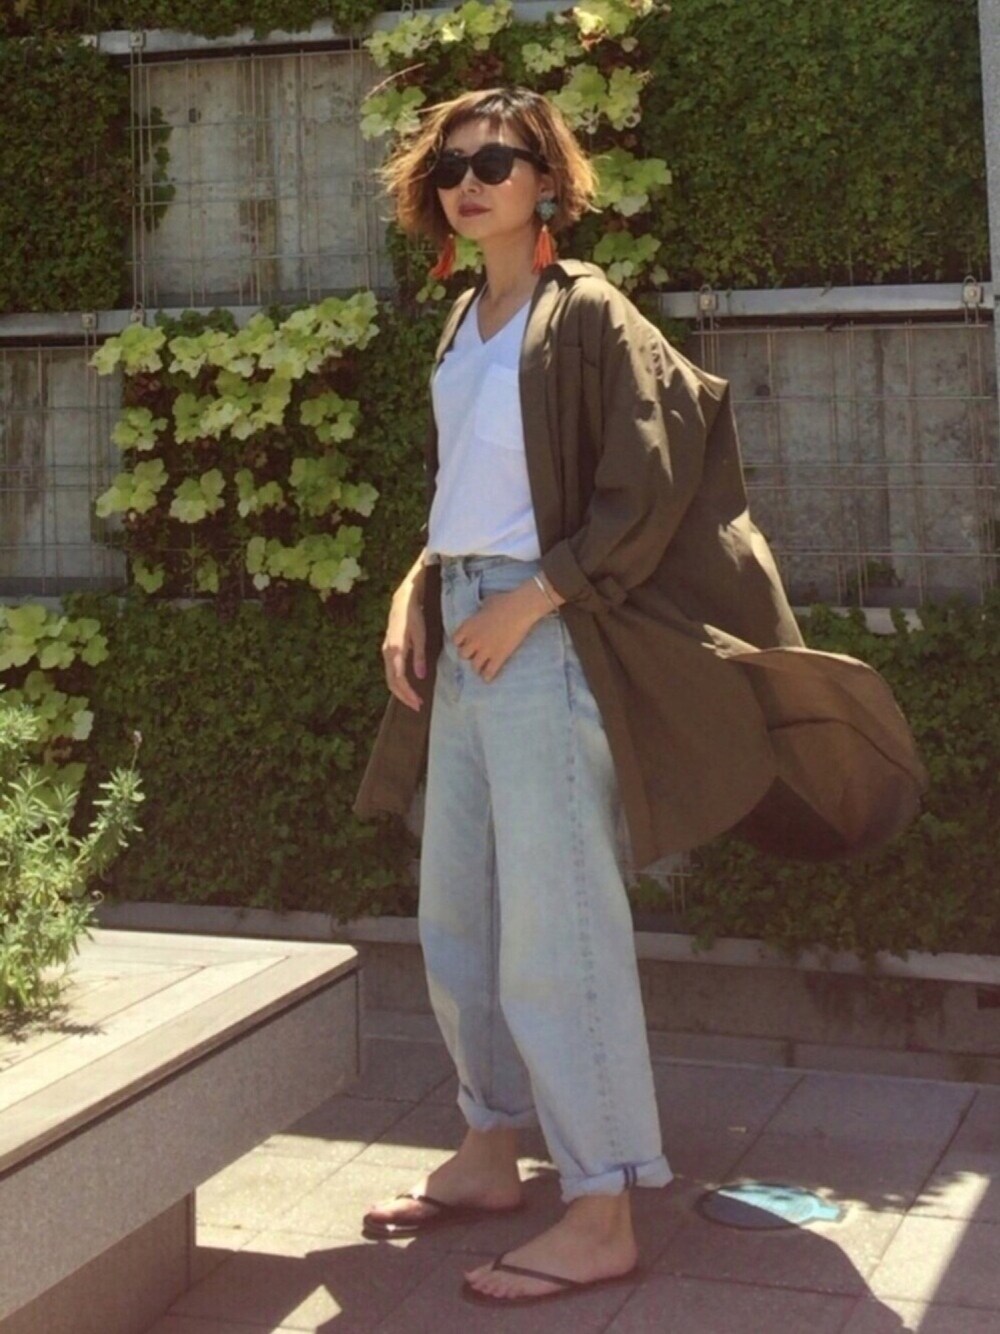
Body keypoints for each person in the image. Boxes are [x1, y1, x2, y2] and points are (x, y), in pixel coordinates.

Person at [353, 86, 926, 1307]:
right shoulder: (462, 320)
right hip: (467, 620)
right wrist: (418, 585)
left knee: (556, 924)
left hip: (545, 638)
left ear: (545, 180)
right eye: (452, 164)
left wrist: (535, 597)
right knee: (461, 908)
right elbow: (463, 494)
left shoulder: (586, 312)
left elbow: (651, 484)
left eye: (498, 160)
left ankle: (603, 1200)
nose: (472, 180)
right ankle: (489, 1145)